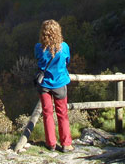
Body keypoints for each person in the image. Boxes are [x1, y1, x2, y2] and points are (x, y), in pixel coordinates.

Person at [35, 19, 74, 152]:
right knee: (62, 113)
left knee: (47, 113)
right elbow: (67, 61)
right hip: (60, 83)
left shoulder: (38, 47)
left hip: (44, 84)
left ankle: (51, 143)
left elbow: (38, 60)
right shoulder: (64, 47)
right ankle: (66, 143)